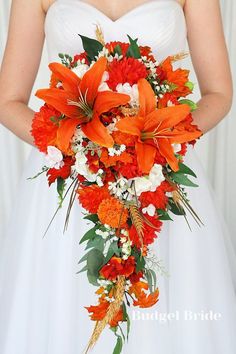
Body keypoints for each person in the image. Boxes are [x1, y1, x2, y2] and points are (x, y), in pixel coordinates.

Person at [0, 0, 235, 353]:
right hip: (70, 179)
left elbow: (219, 93)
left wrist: (163, 138)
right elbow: (8, 100)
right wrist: (78, 148)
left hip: (158, 176)